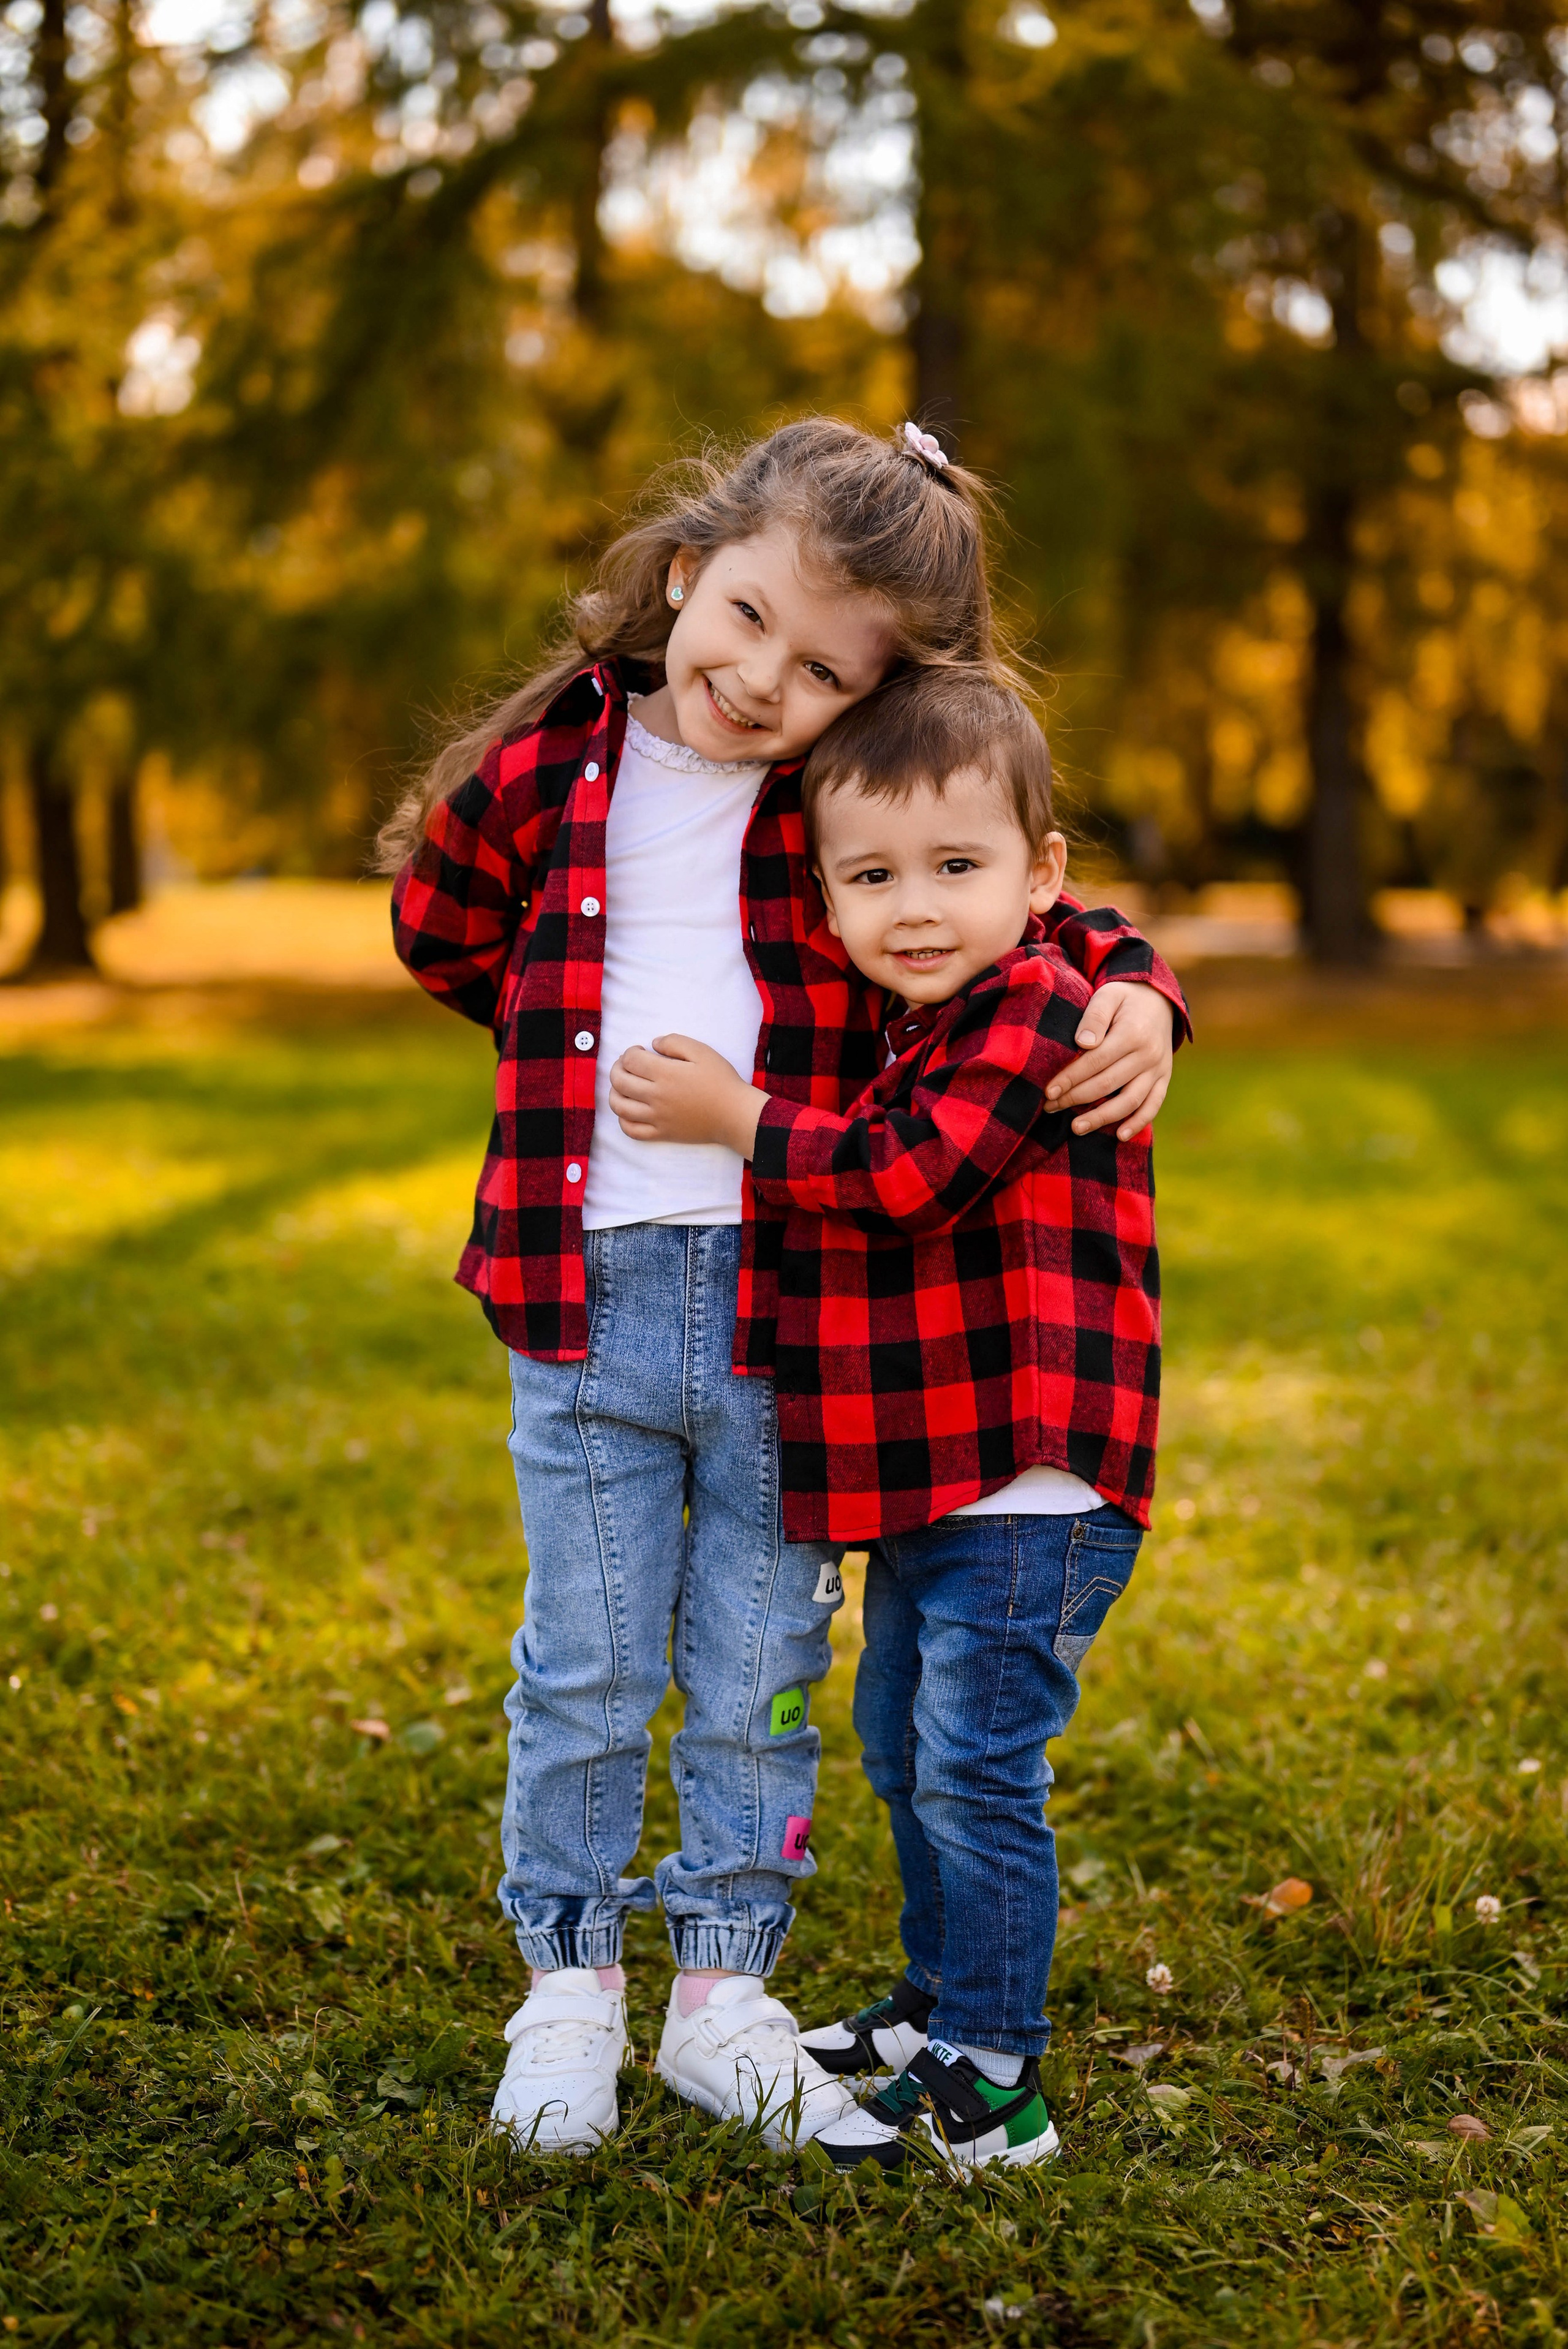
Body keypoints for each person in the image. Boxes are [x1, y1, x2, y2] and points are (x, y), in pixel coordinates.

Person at [385, 417, 1182, 2157]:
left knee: (759, 1659)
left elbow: (1016, 898)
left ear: (879, 695)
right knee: (588, 1657)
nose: (762, 679)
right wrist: (548, 1021)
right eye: (744, 618)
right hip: (580, 1281)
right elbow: (440, 923)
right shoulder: (551, 772)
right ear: (687, 572)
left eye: (825, 669)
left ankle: (724, 1995)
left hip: (795, 1300)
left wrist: (1136, 983)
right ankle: (571, 1990)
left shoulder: (834, 810)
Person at [607, 665, 1176, 2175]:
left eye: (955, 868)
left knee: (976, 1769)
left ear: (1040, 878)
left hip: (1031, 1481)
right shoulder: (911, 1001)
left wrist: (741, 1122)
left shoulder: (1033, 1003)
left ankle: (996, 2075)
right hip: (941, 1483)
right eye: (872, 877)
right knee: (902, 1751)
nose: (912, 907)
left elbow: (901, 1175)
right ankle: (937, 2003)